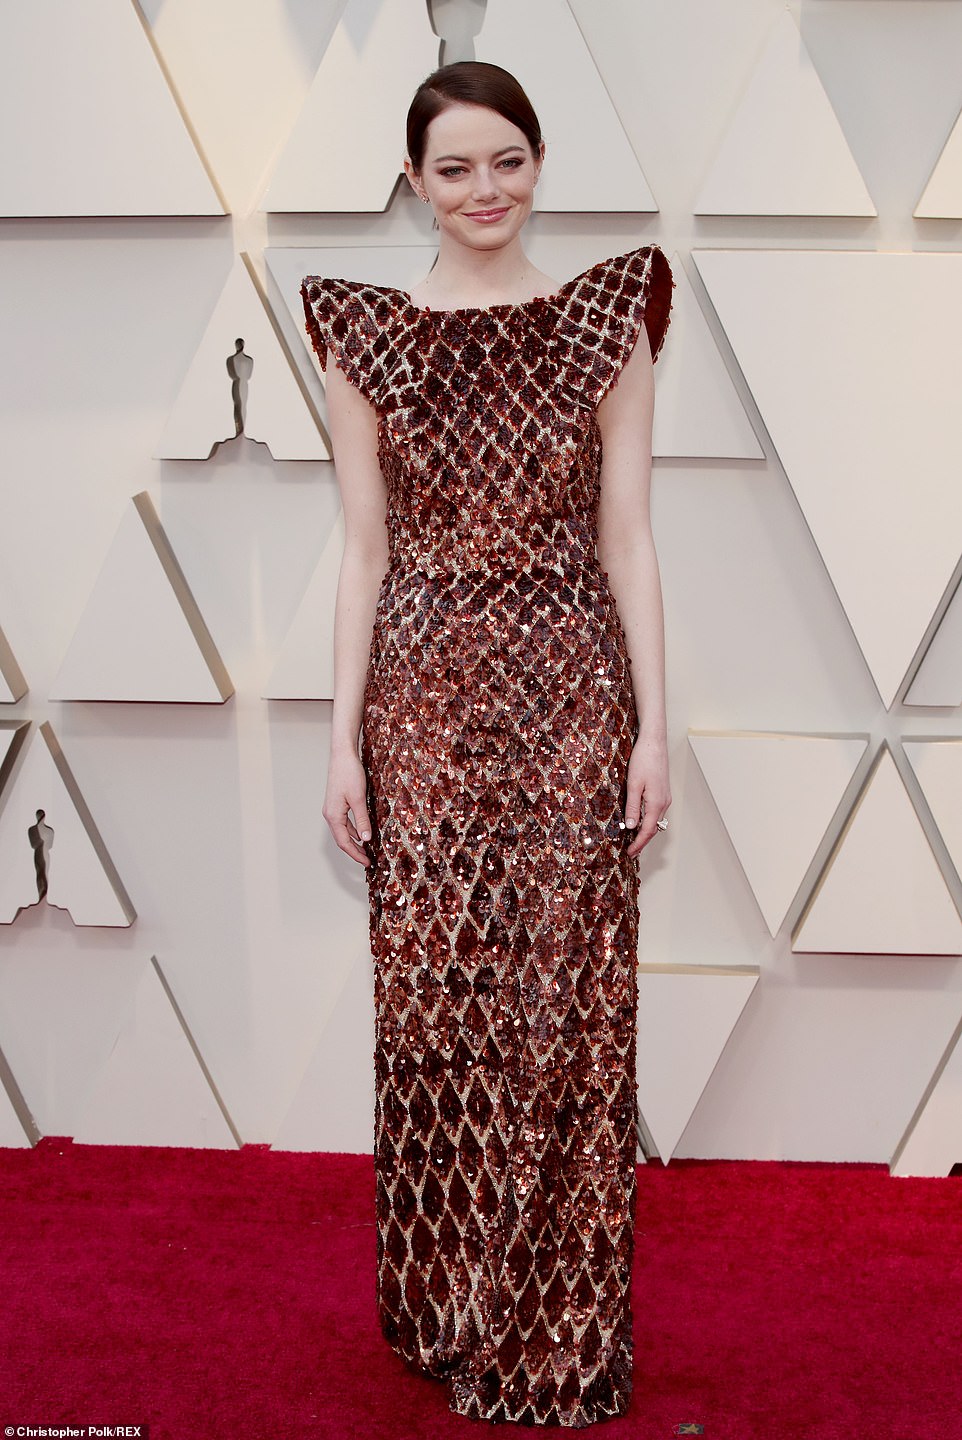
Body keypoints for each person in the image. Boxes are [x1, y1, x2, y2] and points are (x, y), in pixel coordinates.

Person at [301, 59, 673, 1429]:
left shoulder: (603, 321)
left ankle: (555, 1327)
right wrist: (341, 744)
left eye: (506, 159)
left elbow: (628, 537)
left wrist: (656, 727)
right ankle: (448, 1297)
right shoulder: (367, 338)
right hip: (420, 703)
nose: (483, 189)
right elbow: (363, 550)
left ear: (540, 161)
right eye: (453, 167)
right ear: (414, 181)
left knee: (570, 1004)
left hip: (573, 693)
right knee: (437, 1007)